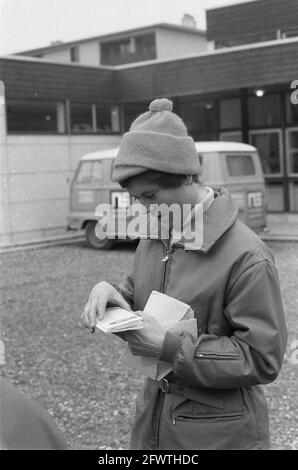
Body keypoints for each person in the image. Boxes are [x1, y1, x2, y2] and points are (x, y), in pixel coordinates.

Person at [81, 98, 288, 450]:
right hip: (156, 421)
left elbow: (261, 358)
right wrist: (116, 294)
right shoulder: (155, 234)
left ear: (186, 177)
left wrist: (169, 347)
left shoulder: (247, 255)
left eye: (150, 195)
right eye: (137, 199)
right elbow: (146, 292)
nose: (145, 209)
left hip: (220, 436)